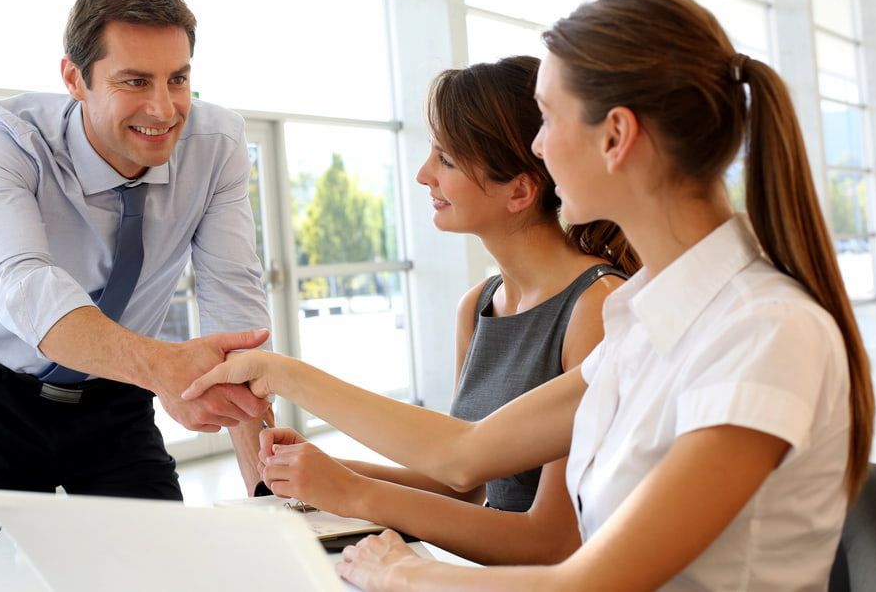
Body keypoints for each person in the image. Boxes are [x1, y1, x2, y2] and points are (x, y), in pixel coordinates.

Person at [184, 0, 875, 591]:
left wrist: (404, 569)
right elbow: (466, 453)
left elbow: (588, 578)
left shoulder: (763, 331)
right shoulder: (651, 322)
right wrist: (275, 371)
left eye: (546, 117)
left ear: (616, 137)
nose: (537, 148)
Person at [251, 55, 637, 565]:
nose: (422, 175)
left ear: (519, 190)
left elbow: (550, 542)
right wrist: (320, 468)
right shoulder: (477, 306)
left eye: (447, 161)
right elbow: (460, 483)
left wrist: (350, 491)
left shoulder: (596, 308)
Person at [0, 0, 272, 521]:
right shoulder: (8, 140)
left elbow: (231, 298)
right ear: (75, 78)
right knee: (9, 569)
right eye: (135, 81)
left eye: (178, 79)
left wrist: (268, 491)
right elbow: (24, 284)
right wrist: (165, 368)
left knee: (156, 558)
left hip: (118, 391)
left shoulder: (218, 146)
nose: (163, 110)